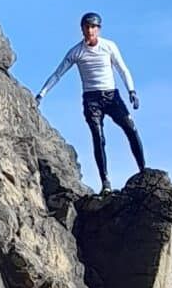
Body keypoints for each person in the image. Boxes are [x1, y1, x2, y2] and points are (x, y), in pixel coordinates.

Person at [38, 10, 146, 191]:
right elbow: (58, 74)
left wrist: (132, 91)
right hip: (91, 99)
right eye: (87, 27)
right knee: (98, 137)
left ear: (99, 29)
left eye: (93, 27)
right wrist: (41, 94)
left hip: (112, 96)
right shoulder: (76, 52)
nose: (90, 30)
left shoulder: (109, 46)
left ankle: (143, 170)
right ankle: (105, 182)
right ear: (82, 29)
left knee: (130, 128)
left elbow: (122, 69)